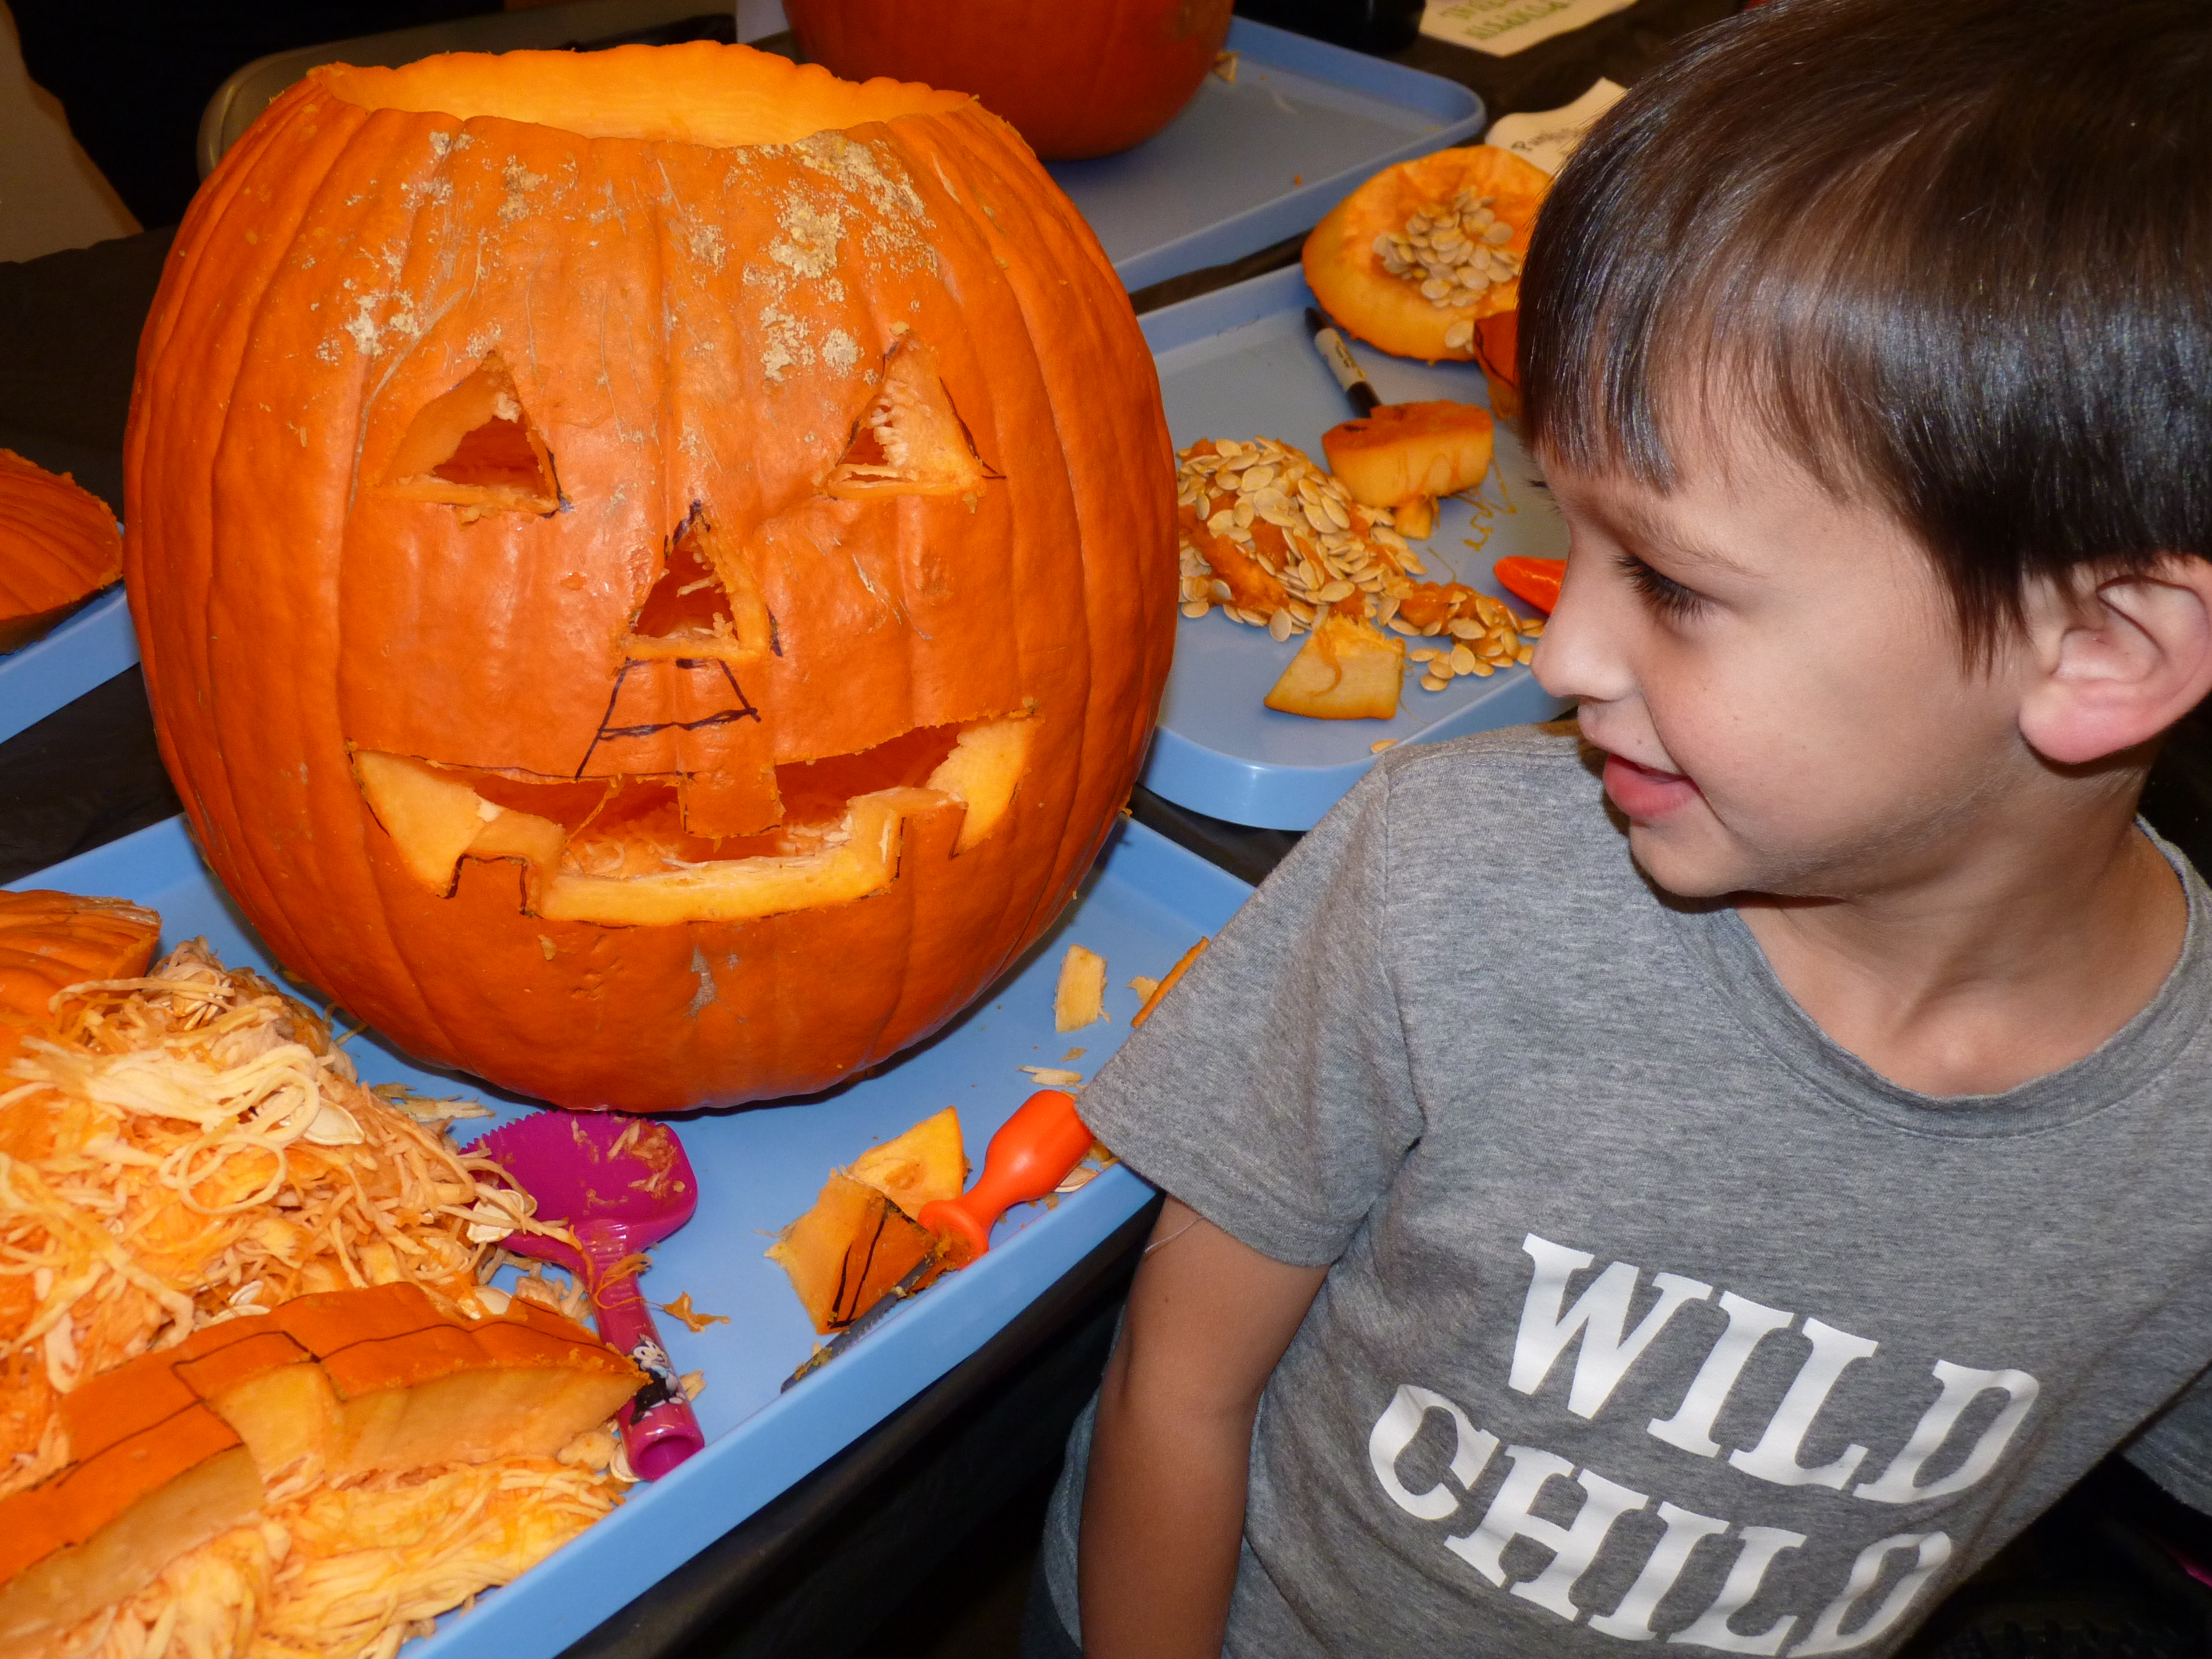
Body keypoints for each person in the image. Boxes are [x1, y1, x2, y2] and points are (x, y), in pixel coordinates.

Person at [1025, 1, 2212, 1653]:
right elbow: (1177, 1391)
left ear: (2103, 654)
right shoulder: (1444, 887)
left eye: (1669, 582)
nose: (1561, 654)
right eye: (1568, 533)